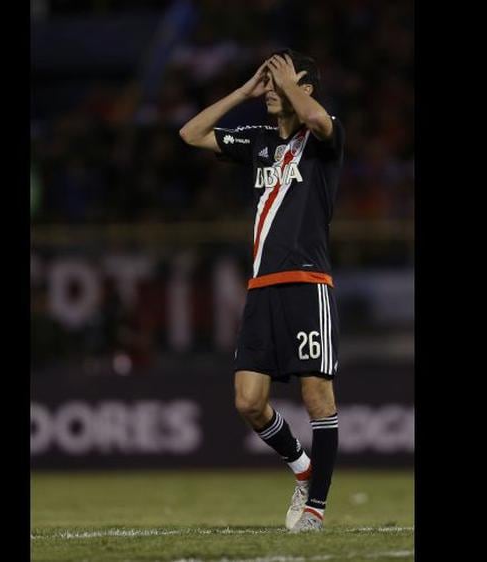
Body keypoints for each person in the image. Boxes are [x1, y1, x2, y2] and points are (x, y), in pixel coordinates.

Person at [179, 49, 344, 533]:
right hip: (262, 287)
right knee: (248, 401)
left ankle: (315, 509)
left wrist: (288, 83)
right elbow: (190, 134)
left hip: (307, 283)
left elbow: (314, 115)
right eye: (267, 83)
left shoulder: (322, 134)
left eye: (278, 82)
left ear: (304, 87)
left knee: (318, 399)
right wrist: (244, 92)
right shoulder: (256, 141)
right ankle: (303, 471)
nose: (270, 90)